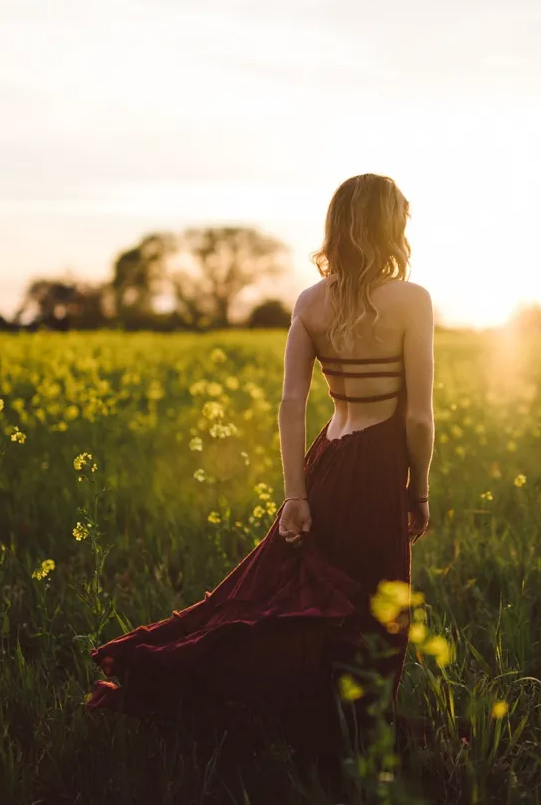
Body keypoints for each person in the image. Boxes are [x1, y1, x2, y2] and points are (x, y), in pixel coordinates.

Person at [86, 173, 436, 758]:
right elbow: (420, 420)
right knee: (375, 611)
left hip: (325, 458)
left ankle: (303, 723)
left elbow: (291, 405)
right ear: (388, 226)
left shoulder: (310, 302)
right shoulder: (412, 301)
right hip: (377, 467)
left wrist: (295, 495)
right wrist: (419, 490)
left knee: (290, 603)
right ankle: (351, 737)